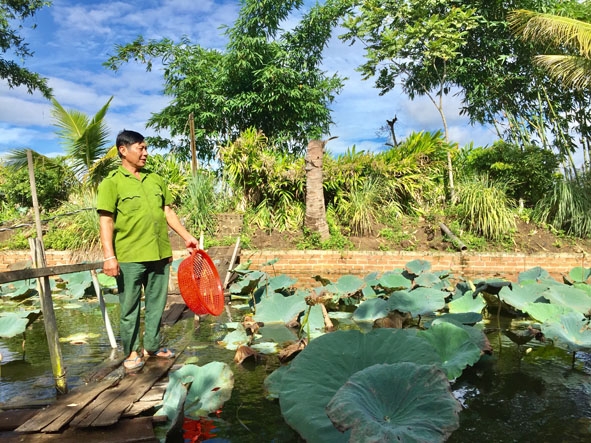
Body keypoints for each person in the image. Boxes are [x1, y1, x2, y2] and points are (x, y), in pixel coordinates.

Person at [97, 129, 198, 372]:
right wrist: (109, 257)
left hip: (160, 254)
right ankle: (132, 351)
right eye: (140, 148)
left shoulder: (155, 179)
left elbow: (167, 212)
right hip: (130, 257)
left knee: (156, 303)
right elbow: (106, 221)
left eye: (146, 148)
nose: (145, 153)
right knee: (129, 306)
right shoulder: (112, 183)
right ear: (123, 150)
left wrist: (187, 237)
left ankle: (151, 347)